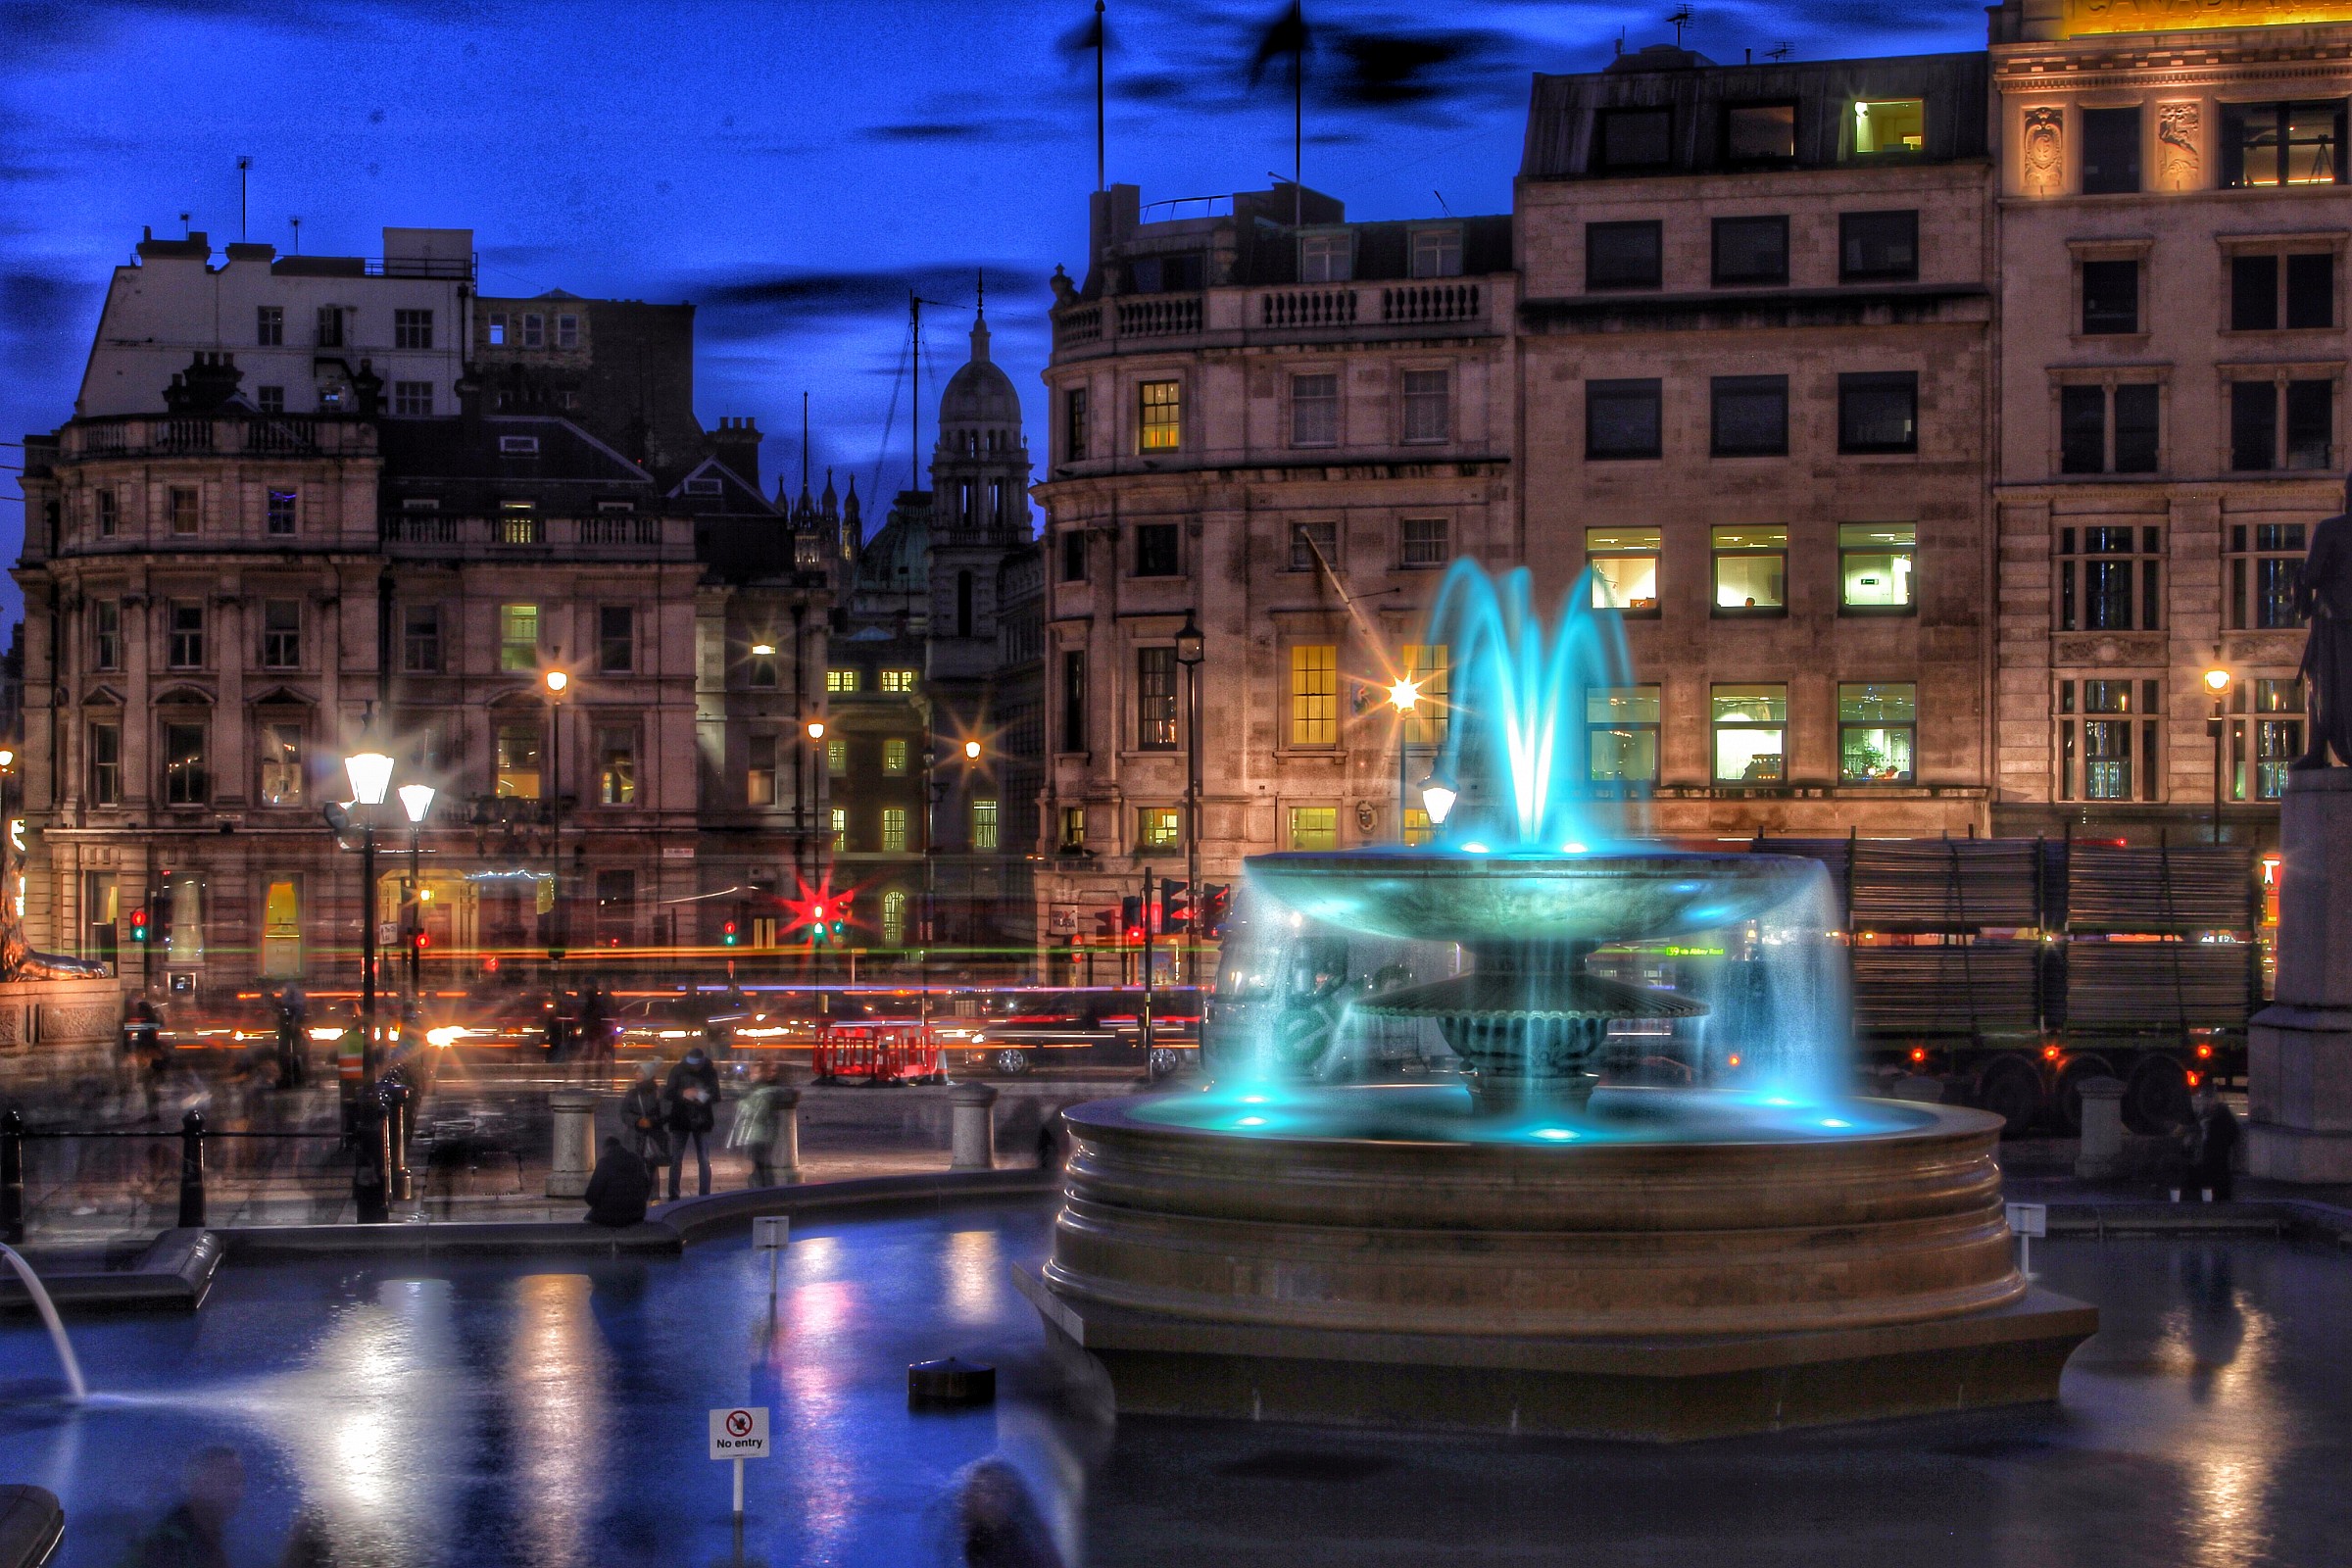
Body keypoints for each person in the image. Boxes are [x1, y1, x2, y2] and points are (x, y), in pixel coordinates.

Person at [2294, 473, 2352, 768]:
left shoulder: (2330, 529)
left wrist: (2302, 576)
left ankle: (2317, 750)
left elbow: (2313, 574)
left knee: (2322, 683)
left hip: (2334, 617)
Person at [123, 1444, 244, 1568]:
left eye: (239, 1481)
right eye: (227, 1480)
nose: (237, 1491)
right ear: (198, 1484)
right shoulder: (167, 1545)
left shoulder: (205, 1540)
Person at [664, 1045, 720, 1199]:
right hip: (680, 1118)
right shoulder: (677, 1070)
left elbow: (716, 1095)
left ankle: (704, 1195)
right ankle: (674, 1195)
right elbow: (668, 1093)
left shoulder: (709, 1071)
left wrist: (702, 1095)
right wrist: (683, 1093)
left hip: (701, 1119)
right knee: (676, 1159)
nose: (695, 1068)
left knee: (703, 1158)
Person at [729, 1064, 784, 1188]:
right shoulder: (756, 1089)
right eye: (751, 1073)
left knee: (762, 1166)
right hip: (758, 1135)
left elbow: (759, 1113)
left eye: (755, 1073)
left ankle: (764, 1192)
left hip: (760, 1135)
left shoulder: (762, 1090)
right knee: (760, 1166)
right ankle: (764, 1191)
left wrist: (742, 1104)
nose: (751, 1076)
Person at [582, 1134, 652, 1227]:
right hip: (636, 1214)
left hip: (609, 1216)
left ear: (606, 1149)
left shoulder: (604, 1163)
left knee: (587, 1219)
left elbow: (590, 1197)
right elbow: (647, 1187)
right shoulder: (637, 1160)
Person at [2189, 1081, 2242, 1201]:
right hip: (2205, 1164)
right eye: (2203, 1098)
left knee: (2217, 1195)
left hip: (2218, 1164)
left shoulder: (2222, 1117)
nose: (2205, 1102)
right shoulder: (2203, 1116)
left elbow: (2232, 1138)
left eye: (2207, 1098)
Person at [620, 1059, 668, 1175]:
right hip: (635, 1139)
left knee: (652, 1171)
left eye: (640, 1072)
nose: (636, 1075)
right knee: (636, 1171)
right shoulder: (632, 1093)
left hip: (653, 1137)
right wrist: (637, 1121)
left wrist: (651, 1121)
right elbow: (624, 1113)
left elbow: (666, 1113)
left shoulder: (658, 1093)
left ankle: (651, 1192)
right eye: (636, 1072)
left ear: (648, 1075)